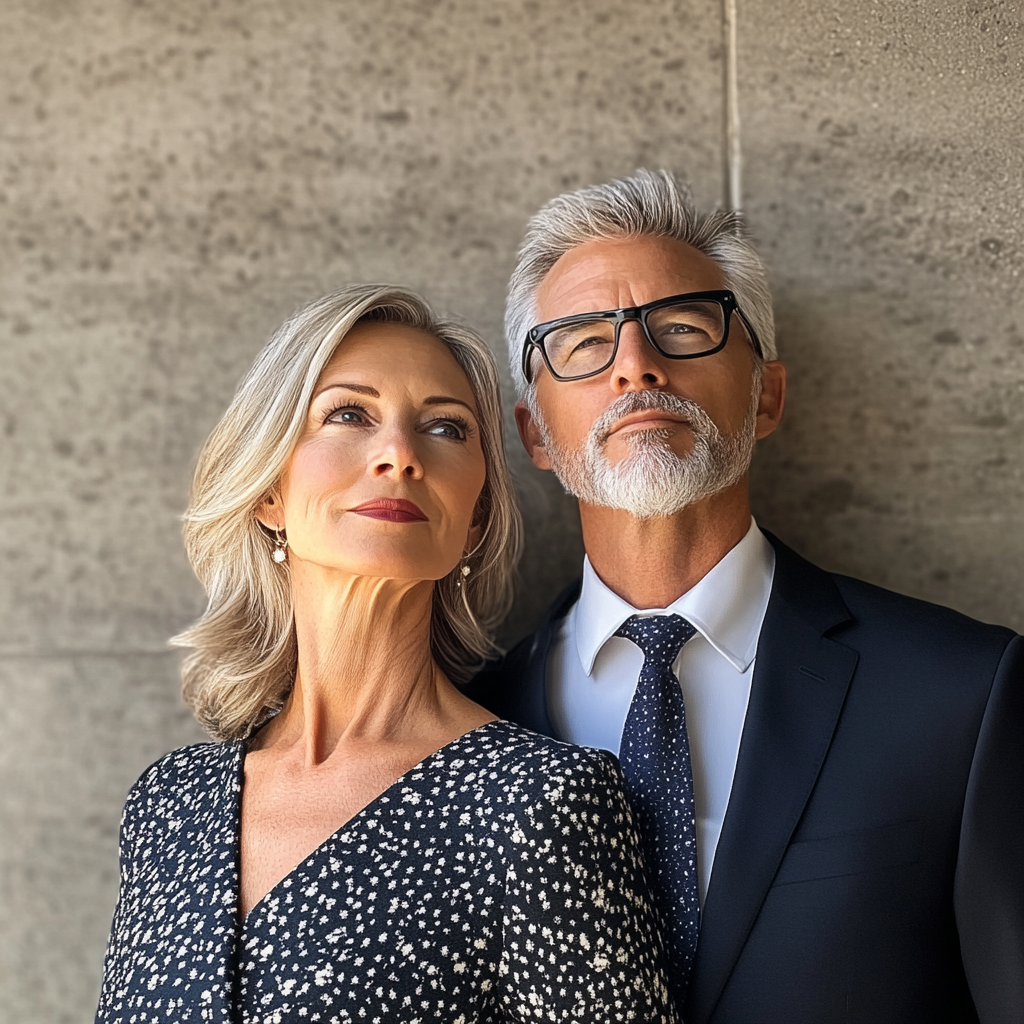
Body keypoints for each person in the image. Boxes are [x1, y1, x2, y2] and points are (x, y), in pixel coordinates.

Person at [468, 170, 1024, 1024]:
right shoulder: (466, 726)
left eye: (683, 328)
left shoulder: (965, 696)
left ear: (766, 394)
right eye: (583, 342)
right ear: (534, 432)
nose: (636, 366)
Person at [95, 285, 680, 1024]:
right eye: (349, 414)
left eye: (445, 428)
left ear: (472, 521)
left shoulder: (540, 806)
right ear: (269, 490)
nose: (400, 455)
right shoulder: (170, 805)